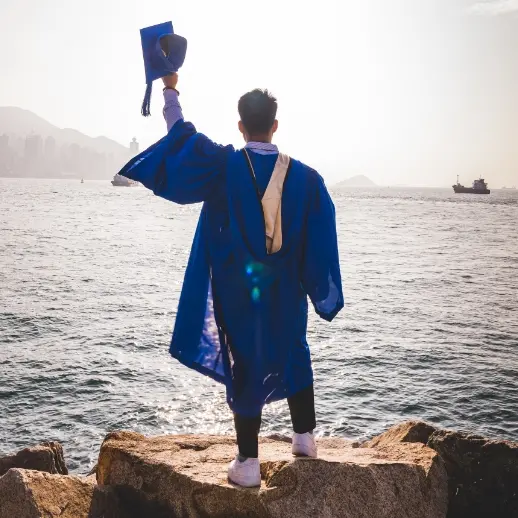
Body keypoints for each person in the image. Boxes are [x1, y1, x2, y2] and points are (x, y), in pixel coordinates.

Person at [119, 73, 344, 488]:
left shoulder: (224, 166)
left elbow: (181, 139)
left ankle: (248, 462)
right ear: (275, 125)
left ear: (241, 126)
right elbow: (322, 241)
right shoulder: (308, 179)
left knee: (245, 360)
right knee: (295, 349)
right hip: (287, 291)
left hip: (239, 291)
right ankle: (305, 439)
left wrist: (170, 87)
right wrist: (319, 289)